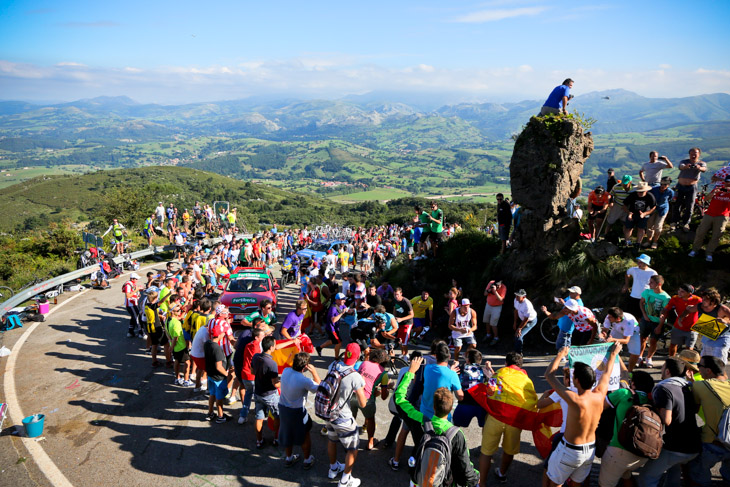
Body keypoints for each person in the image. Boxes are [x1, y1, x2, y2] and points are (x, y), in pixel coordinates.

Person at [395, 356, 481, 487]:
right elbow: (465, 468)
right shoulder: (457, 435)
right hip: (443, 481)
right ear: (451, 407)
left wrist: (411, 372)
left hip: (419, 476)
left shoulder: (419, 420)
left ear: (434, 406)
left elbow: (399, 399)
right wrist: (476, 477)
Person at [544, 343, 622, 487]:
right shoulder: (600, 394)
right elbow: (607, 372)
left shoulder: (575, 400)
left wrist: (561, 354)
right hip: (589, 450)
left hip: (570, 450)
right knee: (576, 484)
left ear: (577, 381)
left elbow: (549, 375)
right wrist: (613, 354)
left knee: (554, 483)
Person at [637, 357, 702, 487]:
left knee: (646, 478)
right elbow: (696, 409)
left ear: (667, 371)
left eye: (662, 367)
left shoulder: (664, 388)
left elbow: (666, 420)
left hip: (675, 446)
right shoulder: (688, 386)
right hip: (694, 444)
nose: (661, 370)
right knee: (673, 473)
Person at [479, 352, 531, 485]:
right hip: (514, 420)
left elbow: (489, 392)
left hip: (495, 417)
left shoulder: (498, 373)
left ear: (506, 363)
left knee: (486, 452)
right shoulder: (526, 379)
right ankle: (502, 473)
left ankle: (482, 483)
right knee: (509, 450)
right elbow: (531, 401)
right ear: (520, 365)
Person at [598, 370, 655, 487]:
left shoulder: (624, 393)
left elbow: (599, 407)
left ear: (633, 384)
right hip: (642, 452)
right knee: (626, 474)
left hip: (619, 451)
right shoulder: (652, 400)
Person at [324, 343, 367, 487]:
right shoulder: (355, 376)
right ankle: (345, 480)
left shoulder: (333, 365)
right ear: (358, 356)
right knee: (353, 448)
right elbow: (362, 404)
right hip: (343, 416)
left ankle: (333, 468)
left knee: (332, 439)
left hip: (328, 412)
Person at [687, 355, 730, 486]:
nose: (698, 369)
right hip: (729, 441)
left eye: (699, 366)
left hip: (712, 442)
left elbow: (692, 409)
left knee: (698, 477)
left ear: (708, 371)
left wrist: (691, 383)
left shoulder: (701, 386)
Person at [279, 352, 321, 469]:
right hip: (297, 411)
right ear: (305, 367)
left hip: (283, 408)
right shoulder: (304, 380)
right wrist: (314, 372)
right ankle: (307, 460)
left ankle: (289, 458)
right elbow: (320, 388)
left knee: (288, 433)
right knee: (305, 434)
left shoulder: (286, 371)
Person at [352, 348, 390, 451]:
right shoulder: (384, 374)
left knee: (351, 418)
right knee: (370, 419)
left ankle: (349, 441)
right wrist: (388, 387)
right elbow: (383, 397)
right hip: (366, 398)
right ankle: (370, 442)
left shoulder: (364, 363)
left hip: (352, 394)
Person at [688, 175, 730, 262]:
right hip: (709, 214)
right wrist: (713, 193)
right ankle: (695, 250)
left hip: (722, 216)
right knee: (701, 232)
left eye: (729, 182)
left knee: (716, 235)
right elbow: (706, 199)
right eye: (726, 182)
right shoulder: (717, 189)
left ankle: (709, 253)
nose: (727, 184)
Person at [251, 336, 281, 449]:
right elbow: (275, 383)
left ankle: (259, 440)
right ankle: (276, 438)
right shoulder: (272, 364)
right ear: (271, 347)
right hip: (270, 395)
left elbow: (252, 371)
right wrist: (283, 383)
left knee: (259, 418)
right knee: (277, 416)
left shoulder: (256, 357)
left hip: (258, 392)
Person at [687, 288, 730, 365]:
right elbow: (689, 310)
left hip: (722, 337)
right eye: (702, 298)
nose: (702, 301)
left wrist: (725, 321)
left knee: (718, 364)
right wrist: (682, 316)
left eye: (705, 300)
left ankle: (720, 376)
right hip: (708, 337)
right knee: (705, 363)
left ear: (713, 301)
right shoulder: (700, 306)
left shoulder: (722, 309)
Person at [421, 341, 463, 420]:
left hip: (425, 413)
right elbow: (460, 396)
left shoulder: (427, 368)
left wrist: (450, 371)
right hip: (442, 416)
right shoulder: (452, 374)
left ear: (436, 356)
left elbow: (439, 374)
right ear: (449, 356)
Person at [657, 283, 702, 358]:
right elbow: (667, 307)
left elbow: (705, 309)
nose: (679, 292)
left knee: (689, 349)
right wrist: (662, 313)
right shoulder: (675, 298)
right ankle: (671, 360)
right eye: (679, 290)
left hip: (692, 328)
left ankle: (687, 365)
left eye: (682, 291)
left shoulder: (697, 300)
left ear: (689, 293)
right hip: (678, 326)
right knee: (673, 345)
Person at [638, 274, 670, 368]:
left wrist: (660, 326)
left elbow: (665, 313)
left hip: (657, 322)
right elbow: (641, 302)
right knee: (642, 339)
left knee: (653, 341)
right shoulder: (647, 292)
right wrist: (644, 315)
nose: (649, 284)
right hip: (646, 320)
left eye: (651, 282)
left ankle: (649, 357)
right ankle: (639, 356)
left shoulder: (666, 297)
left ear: (659, 284)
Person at [672, 147, 707, 232]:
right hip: (680, 186)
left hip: (692, 187)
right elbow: (681, 166)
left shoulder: (701, 163)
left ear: (699, 154)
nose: (693, 155)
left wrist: (699, 167)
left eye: (695, 153)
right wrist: (686, 167)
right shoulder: (685, 162)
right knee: (677, 204)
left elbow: (704, 169)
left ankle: (685, 223)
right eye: (691, 154)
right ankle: (674, 222)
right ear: (689, 154)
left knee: (690, 205)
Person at [204, 322, 231, 423]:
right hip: (218, 378)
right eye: (223, 333)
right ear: (220, 334)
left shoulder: (207, 343)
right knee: (219, 398)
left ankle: (210, 413)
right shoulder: (217, 348)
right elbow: (219, 367)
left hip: (210, 375)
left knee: (212, 394)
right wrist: (227, 374)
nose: (224, 334)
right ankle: (220, 416)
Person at [600, 307, 641, 372]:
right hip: (617, 330)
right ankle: (609, 367)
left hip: (633, 333)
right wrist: (603, 334)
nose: (608, 318)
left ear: (618, 318)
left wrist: (612, 339)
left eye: (610, 317)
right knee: (610, 347)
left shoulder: (629, 321)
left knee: (635, 353)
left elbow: (626, 341)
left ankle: (629, 371)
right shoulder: (609, 316)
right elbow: (605, 328)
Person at [622, 254, 657, 320]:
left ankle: (640, 329)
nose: (638, 263)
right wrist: (626, 285)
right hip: (634, 296)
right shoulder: (634, 270)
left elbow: (656, 284)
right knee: (631, 316)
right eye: (638, 261)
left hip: (645, 298)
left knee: (643, 316)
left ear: (645, 263)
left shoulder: (652, 272)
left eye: (640, 262)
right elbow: (627, 274)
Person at [317, 293, 351, 359]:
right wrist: (342, 313)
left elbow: (346, 309)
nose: (344, 301)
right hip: (331, 329)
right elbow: (334, 320)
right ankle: (336, 358)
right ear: (337, 300)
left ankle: (319, 347)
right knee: (339, 342)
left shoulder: (341, 304)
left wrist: (352, 310)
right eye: (343, 299)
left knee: (333, 341)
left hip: (336, 328)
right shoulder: (333, 308)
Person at [622, 182, 656, 247]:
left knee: (641, 229)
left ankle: (638, 243)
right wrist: (629, 213)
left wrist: (645, 213)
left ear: (646, 191)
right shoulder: (633, 195)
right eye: (638, 191)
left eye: (641, 192)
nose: (639, 193)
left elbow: (653, 207)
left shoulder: (650, 196)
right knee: (628, 228)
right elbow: (624, 205)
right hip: (632, 213)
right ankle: (627, 242)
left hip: (643, 215)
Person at [645, 177, 675, 249]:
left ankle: (655, 242)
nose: (662, 186)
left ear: (668, 185)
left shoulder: (670, 192)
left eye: (664, 184)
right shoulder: (654, 189)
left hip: (663, 209)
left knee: (658, 227)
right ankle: (648, 241)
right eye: (661, 184)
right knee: (649, 225)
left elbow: (670, 199)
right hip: (652, 209)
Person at [449, 298, 478, 362]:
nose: (466, 309)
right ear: (460, 306)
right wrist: (459, 330)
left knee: (473, 345)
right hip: (457, 331)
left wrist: (470, 330)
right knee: (458, 347)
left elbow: (475, 326)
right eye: (465, 307)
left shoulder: (472, 312)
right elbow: (450, 325)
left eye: (468, 306)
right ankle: (456, 360)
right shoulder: (454, 312)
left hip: (467, 330)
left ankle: (466, 354)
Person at [482, 279, 506, 346]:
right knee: (486, 320)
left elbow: (501, 299)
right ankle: (488, 334)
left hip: (497, 306)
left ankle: (496, 337)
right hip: (489, 304)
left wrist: (495, 291)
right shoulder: (491, 283)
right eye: (496, 285)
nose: (498, 287)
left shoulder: (503, 287)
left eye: (499, 286)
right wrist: (489, 290)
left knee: (493, 323)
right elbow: (485, 294)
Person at [513, 289, 538, 354]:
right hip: (522, 319)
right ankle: (528, 343)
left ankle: (518, 354)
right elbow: (516, 310)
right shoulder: (516, 300)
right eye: (516, 296)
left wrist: (519, 328)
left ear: (524, 297)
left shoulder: (527, 305)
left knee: (518, 336)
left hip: (530, 321)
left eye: (518, 296)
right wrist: (515, 322)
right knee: (523, 334)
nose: (516, 298)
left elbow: (526, 320)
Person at [392, 288, 414, 356]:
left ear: (401, 294)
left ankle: (405, 354)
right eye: (395, 295)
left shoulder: (406, 302)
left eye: (398, 295)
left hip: (407, 323)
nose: (396, 296)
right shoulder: (395, 300)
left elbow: (412, 315)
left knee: (404, 341)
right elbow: (395, 309)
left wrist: (401, 319)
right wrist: (393, 318)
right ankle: (403, 353)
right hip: (399, 323)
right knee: (399, 340)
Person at [122, 272, 142, 338]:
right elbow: (128, 295)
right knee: (137, 318)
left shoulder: (132, 284)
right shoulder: (128, 285)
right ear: (132, 279)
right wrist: (136, 290)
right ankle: (141, 332)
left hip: (134, 303)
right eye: (136, 279)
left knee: (133, 318)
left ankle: (130, 332)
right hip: (131, 304)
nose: (137, 280)